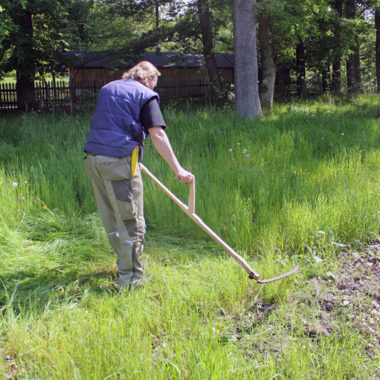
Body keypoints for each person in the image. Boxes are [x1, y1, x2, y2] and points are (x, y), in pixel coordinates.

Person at [83, 61, 194, 290]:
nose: (155, 88)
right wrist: (178, 170)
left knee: (112, 220)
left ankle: (126, 265)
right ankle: (131, 281)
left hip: (94, 160)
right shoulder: (145, 94)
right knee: (131, 223)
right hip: (118, 164)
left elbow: (116, 124)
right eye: (155, 83)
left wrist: (135, 160)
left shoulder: (108, 88)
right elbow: (157, 135)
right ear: (150, 78)